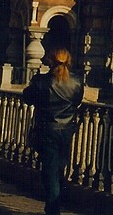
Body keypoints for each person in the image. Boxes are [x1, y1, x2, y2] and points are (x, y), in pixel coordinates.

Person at [23, 47, 83, 215]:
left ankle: (53, 209)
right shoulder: (77, 82)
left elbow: (27, 97)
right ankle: (55, 203)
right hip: (67, 130)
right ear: (69, 61)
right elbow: (77, 101)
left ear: (50, 61)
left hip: (47, 129)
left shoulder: (41, 81)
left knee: (49, 170)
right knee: (59, 168)